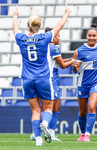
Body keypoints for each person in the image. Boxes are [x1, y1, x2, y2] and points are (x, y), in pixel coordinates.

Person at [12, 4, 71, 146]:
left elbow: (15, 28)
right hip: (43, 78)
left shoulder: (21, 38)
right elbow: (59, 26)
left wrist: (15, 16)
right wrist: (67, 13)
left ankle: (38, 140)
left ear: (28, 25)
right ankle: (45, 123)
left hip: (26, 79)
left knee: (35, 110)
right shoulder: (44, 38)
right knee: (48, 108)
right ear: (40, 26)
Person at [30, 27, 77, 142]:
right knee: (52, 108)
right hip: (51, 81)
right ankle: (46, 132)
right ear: (53, 37)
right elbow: (63, 65)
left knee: (52, 107)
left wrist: (71, 58)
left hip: (45, 79)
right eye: (58, 36)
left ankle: (45, 132)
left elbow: (59, 61)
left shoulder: (44, 47)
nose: (59, 38)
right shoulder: (54, 47)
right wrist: (74, 60)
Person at [72, 23, 97, 142]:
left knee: (92, 107)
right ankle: (82, 134)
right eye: (89, 36)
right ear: (86, 36)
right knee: (82, 112)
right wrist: (74, 65)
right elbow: (76, 70)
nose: (91, 38)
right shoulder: (80, 50)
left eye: (94, 36)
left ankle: (87, 134)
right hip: (83, 84)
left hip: (96, 83)